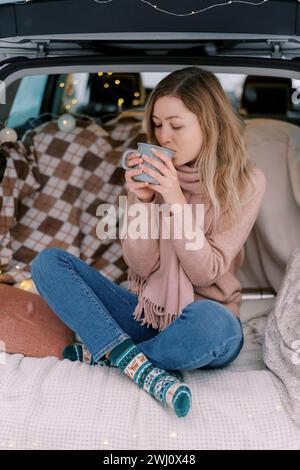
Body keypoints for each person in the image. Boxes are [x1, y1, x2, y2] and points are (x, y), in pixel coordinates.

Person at [31, 67, 267, 419]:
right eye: (157, 125)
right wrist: (140, 201)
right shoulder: (154, 175)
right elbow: (141, 268)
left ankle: (112, 355)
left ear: (209, 123)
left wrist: (175, 201)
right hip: (148, 315)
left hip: (206, 319)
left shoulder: (246, 182)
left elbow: (206, 273)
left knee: (213, 324)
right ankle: (136, 361)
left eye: (176, 124)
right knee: (48, 263)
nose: (164, 136)